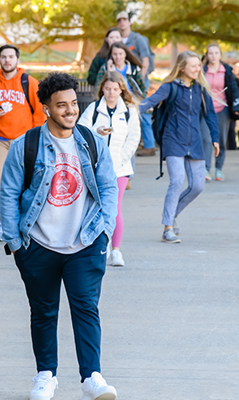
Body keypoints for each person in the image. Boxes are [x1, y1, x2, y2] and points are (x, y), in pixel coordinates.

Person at [0, 72, 119, 400]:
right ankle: (46, 375)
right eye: (61, 105)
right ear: (47, 108)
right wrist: (15, 243)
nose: (70, 111)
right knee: (43, 311)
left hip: (85, 241)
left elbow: (109, 187)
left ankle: (91, 377)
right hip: (38, 244)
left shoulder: (92, 142)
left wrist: (104, 231)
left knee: (86, 307)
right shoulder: (26, 146)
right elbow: (8, 193)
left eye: (74, 104)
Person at [138, 50, 220, 243]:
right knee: (177, 181)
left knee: (198, 186)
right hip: (173, 140)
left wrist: (215, 139)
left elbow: (210, 115)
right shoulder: (170, 87)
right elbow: (150, 101)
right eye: (193, 66)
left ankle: (172, 214)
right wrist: (129, 109)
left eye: (199, 65)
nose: (197, 69)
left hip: (195, 142)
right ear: (182, 67)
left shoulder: (200, 89)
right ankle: (167, 229)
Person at [0, 44, 45, 240]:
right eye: (3, 57)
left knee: (24, 183)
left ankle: (26, 222)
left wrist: (35, 136)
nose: (7, 60)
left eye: (11, 57)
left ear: (17, 60)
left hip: (23, 140)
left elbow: (39, 112)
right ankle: (4, 224)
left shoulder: (29, 82)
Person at [79, 70, 141, 266]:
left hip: (120, 169)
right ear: (102, 89)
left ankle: (116, 250)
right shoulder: (94, 108)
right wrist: (96, 132)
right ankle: (99, 246)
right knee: (94, 207)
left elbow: (133, 138)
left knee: (114, 208)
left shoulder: (129, 111)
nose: (111, 93)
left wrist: (121, 159)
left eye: (115, 89)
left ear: (121, 90)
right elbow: (80, 130)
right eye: (107, 89)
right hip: (96, 168)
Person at [116, 10, 157, 156]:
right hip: (123, 82)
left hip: (138, 81)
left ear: (130, 22)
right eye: (119, 20)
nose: (122, 22)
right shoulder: (118, 40)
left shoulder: (138, 39)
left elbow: (145, 61)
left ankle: (150, 145)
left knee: (143, 111)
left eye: (124, 19)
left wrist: (140, 81)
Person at [202, 44, 239, 181]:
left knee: (220, 140)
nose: (213, 56)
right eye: (210, 53)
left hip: (222, 109)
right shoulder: (202, 70)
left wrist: (236, 109)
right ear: (207, 55)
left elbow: (234, 89)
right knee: (206, 140)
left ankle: (218, 169)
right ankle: (206, 169)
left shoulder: (227, 71)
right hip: (205, 110)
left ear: (220, 55)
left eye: (216, 53)